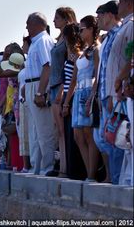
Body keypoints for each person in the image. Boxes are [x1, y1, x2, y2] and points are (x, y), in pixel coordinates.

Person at [63, 16, 100, 181]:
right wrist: (66, 102)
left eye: (82, 29)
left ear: (91, 29)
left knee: (88, 134)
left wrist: (93, 95)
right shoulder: (82, 51)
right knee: (78, 136)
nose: (79, 32)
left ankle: (92, 173)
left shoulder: (96, 49)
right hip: (78, 93)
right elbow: (73, 80)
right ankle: (88, 171)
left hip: (88, 92)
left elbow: (98, 75)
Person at [24, 12, 56, 175]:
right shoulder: (36, 42)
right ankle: (36, 166)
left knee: (44, 130)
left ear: (36, 24)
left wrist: (40, 92)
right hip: (31, 84)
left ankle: (47, 167)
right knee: (35, 131)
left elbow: (47, 66)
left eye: (28, 24)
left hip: (38, 84)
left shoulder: (43, 40)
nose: (26, 28)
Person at [94, 0, 122, 183]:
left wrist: (112, 93)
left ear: (110, 15)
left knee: (116, 139)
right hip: (104, 95)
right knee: (105, 139)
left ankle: (118, 179)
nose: (98, 20)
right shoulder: (107, 38)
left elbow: (118, 67)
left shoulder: (119, 34)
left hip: (113, 95)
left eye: (100, 15)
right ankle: (114, 177)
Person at [49, 7, 77, 177]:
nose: (54, 21)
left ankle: (65, 168)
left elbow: (69, 66)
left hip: (61, 86)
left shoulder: (68, 38)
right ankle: (62, 167)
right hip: (54, 86)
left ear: (66, 19)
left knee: (63, 130)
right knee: (59, 131)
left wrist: (62, 90)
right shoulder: (58, 39)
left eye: (57, 18)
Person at [109, 0, 133, 185]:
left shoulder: (131, 26)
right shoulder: (125, 26)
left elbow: (131, 58)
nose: (118, 6)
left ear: (130, 4)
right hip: (122, 89)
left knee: (130, 134)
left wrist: (120, 79)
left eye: (121, 2)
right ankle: (127, 177)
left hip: (127, 87)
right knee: (125, 135)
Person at [17, 36, 32, 172]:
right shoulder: (26, 63)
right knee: (24, 134)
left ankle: (30, 165)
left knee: (31, 133)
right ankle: (26, 165)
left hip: (29, 99)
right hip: (22, 101)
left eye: (24, 44)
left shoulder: (31, 63)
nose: (22, 47)